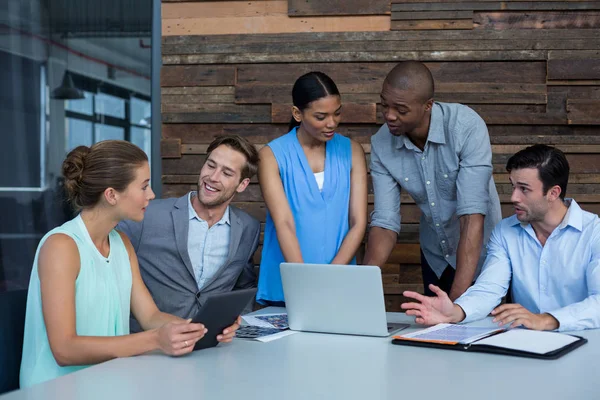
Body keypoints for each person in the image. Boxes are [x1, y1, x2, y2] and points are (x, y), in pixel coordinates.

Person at [20, 141, 239, 388]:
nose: (152, 195)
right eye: (144, 186)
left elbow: (150, 316)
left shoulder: (121, 242)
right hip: (56, 389)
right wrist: (156, 339)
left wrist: (202, 329)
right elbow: (64, 349)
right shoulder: (61, 246)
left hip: (109, 378)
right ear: (112, 195)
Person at [402, 145, 600, 332]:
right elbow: (489, 288)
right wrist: (456, 312)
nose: (514, 197)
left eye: (524, 189)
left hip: (585, 342)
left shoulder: (594, 232)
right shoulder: (505, 231)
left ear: (553, 193)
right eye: (513, 186)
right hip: (526, 344)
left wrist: (546, 319)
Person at [363, 61, 502, 300]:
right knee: (436, 336)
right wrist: (360, 284)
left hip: (482, 256)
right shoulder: (381, 143)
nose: (389, 115)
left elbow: (471, 216)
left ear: (428, 106)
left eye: (401, 110)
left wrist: (456, 304)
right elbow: (385, 221)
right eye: (385, 105)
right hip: (436, 257)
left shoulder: (466, 127)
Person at [118, 135, 261, 332]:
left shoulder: (248, 228)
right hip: (148, 346)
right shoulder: (148, 215)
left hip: (210, 347)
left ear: (242, 184)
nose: (213, 177)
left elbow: (244, 286)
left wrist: (235, 322)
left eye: (227, 173)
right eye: (211, 165)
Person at [256, 71, 368, 305]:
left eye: (337, 113)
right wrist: (304, 285)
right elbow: (284, 223)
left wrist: (330, 277)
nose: (332, 123)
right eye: (321, 116)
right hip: (288, 287)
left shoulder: (353, 151)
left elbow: (358, 222)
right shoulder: (271, 156)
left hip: (339, 285)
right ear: (297, 114)